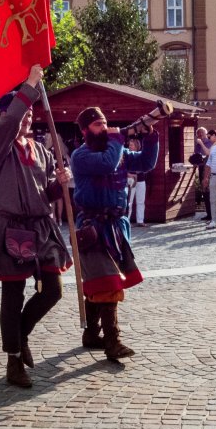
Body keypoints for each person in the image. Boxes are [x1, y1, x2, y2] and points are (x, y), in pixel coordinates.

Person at [0, 66, 72, 387]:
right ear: (5, 115)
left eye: (31, 114)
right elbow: (10, 122)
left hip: (40, 227)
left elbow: (46, 193)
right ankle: (14, 360)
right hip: (9, 228)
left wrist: (61, 184)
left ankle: (22, 333)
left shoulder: (41, 151)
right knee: (13, 295)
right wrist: (30, 85)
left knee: (53, 290)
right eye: (22, 113)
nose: (27, 118)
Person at [70, 105, 159, 360]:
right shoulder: (81, 155)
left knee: (100, 283)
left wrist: (150, 137)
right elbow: (107, 164)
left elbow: (145, 163)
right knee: (108, 283)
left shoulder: (116, 150)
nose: (104, 128)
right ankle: (113, 341)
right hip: (93, 227)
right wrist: (118, 138)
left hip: (115, 227)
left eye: (105, 123)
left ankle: (91, 334)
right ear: (86, 131)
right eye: (97, 125)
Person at [126, 137, 149, 227]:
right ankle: (127, 221)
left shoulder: (141, 156)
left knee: (141, 201)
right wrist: (129, 174)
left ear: (136, 146)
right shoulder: (127, 156)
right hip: (131, 180)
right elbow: (123, 168)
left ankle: (140, 220)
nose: (129, 146)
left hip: (141, 180)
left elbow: (146, 166)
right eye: (129, 145)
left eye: (131, 145)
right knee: (129, 201)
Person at [192, 126, 212, 222]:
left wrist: (201, 143)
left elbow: (208, 154)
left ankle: (213, 214)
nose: (200, 135)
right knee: (205, 191)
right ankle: (209, 214)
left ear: (206, 134)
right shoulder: (198, 145)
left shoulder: (210, 143)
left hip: (209, 169)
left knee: (210, 191)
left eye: (202, 133)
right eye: (198, 134)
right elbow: (197, 156)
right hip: (201, 168)